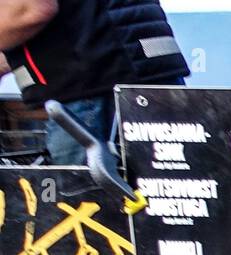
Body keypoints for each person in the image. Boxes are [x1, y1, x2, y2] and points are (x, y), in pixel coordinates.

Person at [0, 0, 190, 165]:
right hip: (139, 69)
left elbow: (30, 10)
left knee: (83, 199)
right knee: (164, 195)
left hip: (92, 86)